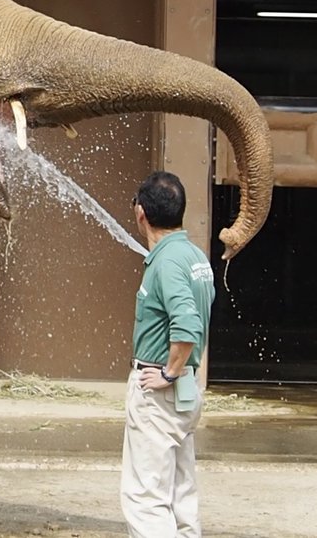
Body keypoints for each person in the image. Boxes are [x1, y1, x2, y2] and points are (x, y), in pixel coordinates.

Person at [121, 170, 216, 538]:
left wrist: (169, 373)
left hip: (159, 391)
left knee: (145, 498)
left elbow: (187, 325)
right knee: (180, 494)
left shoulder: (168, 262)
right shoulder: (194, 256)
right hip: (184, 394)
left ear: (141, 212)